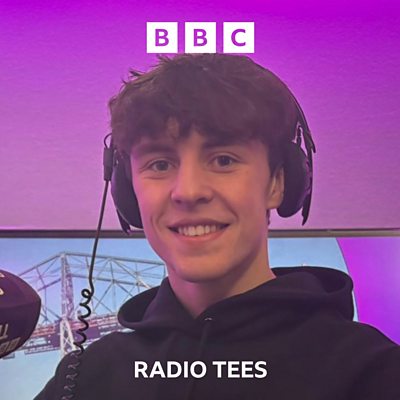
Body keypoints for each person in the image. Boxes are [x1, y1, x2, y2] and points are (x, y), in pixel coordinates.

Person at [35, 53, 400, 400]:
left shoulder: (373, 372)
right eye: (160, 164)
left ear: (278, 183)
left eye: (223, 160)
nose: (188, 191)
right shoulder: (85, 377)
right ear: (128, 191)